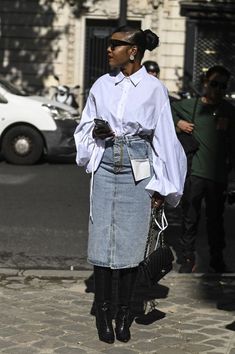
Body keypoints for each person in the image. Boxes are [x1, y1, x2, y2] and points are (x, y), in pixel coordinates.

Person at [74, 25, 187, 344]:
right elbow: (84, 125)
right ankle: (104, 312)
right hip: (107, 163)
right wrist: (95, 134)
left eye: (115, 45)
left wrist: (163, 187)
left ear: (133, 51)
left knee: (130, 245)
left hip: (139, 166)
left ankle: (124, 314)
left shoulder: (154, 89)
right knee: (101, 243)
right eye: (109, 44)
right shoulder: (101, 85)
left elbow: (164, 137)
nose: (108, 50)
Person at [171, 65, 235, 273]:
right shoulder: (192, 105)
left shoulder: (229, 110)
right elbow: (164, 111)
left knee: (216, 221)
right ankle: (188, 258)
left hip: (218, 176)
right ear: (205, 82)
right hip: (196, 173)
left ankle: (217, 259)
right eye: (214, 84)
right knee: (190, 218)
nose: (218, 89)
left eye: (222, 86)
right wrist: (178, 122)